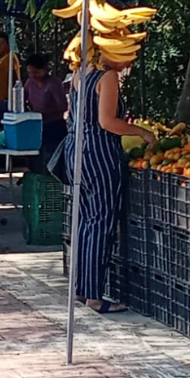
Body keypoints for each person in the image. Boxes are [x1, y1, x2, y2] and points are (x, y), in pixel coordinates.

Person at [64, 57, 156, 313]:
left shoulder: (79, 73)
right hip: (99, 152)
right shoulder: (107, 77)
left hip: (76, 149)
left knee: (85, 220)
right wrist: (141, 132)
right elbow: (107, 122)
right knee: (101, 222)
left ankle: (82, 288)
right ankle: (94, 295)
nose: (130, 60)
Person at [24, 53, 68, 169]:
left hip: (54, 126)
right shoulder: (29, 83)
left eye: (36, 73)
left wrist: (44, 114)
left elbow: (63, 106)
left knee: (51, 158)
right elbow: (22, 99)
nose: (33, 76)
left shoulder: (54, 84)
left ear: (43, 70)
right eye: (30, 73)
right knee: (35, 159)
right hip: (36, 126)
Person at [0, 35, 20, 115]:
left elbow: (14, 76)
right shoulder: (4, 59)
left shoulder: (10, 58)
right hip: (0, 98)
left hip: (6, 99)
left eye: (2, 43)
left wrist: (11, 95)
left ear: (8, 45)